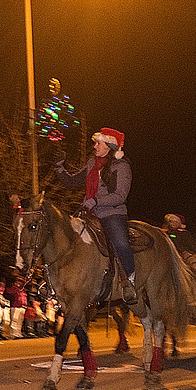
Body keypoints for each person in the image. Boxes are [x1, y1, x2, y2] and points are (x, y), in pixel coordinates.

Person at [56, 127, 137, 305]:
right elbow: (72, 181)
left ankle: (129, 281)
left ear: (109, 145)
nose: (95, 146)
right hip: (90, 213)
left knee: (121, 243)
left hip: (112, 213)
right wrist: (59, 167)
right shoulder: (92, 163)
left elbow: (120, 196)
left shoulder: (121, 166)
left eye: (98, 143)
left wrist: (96, 201)